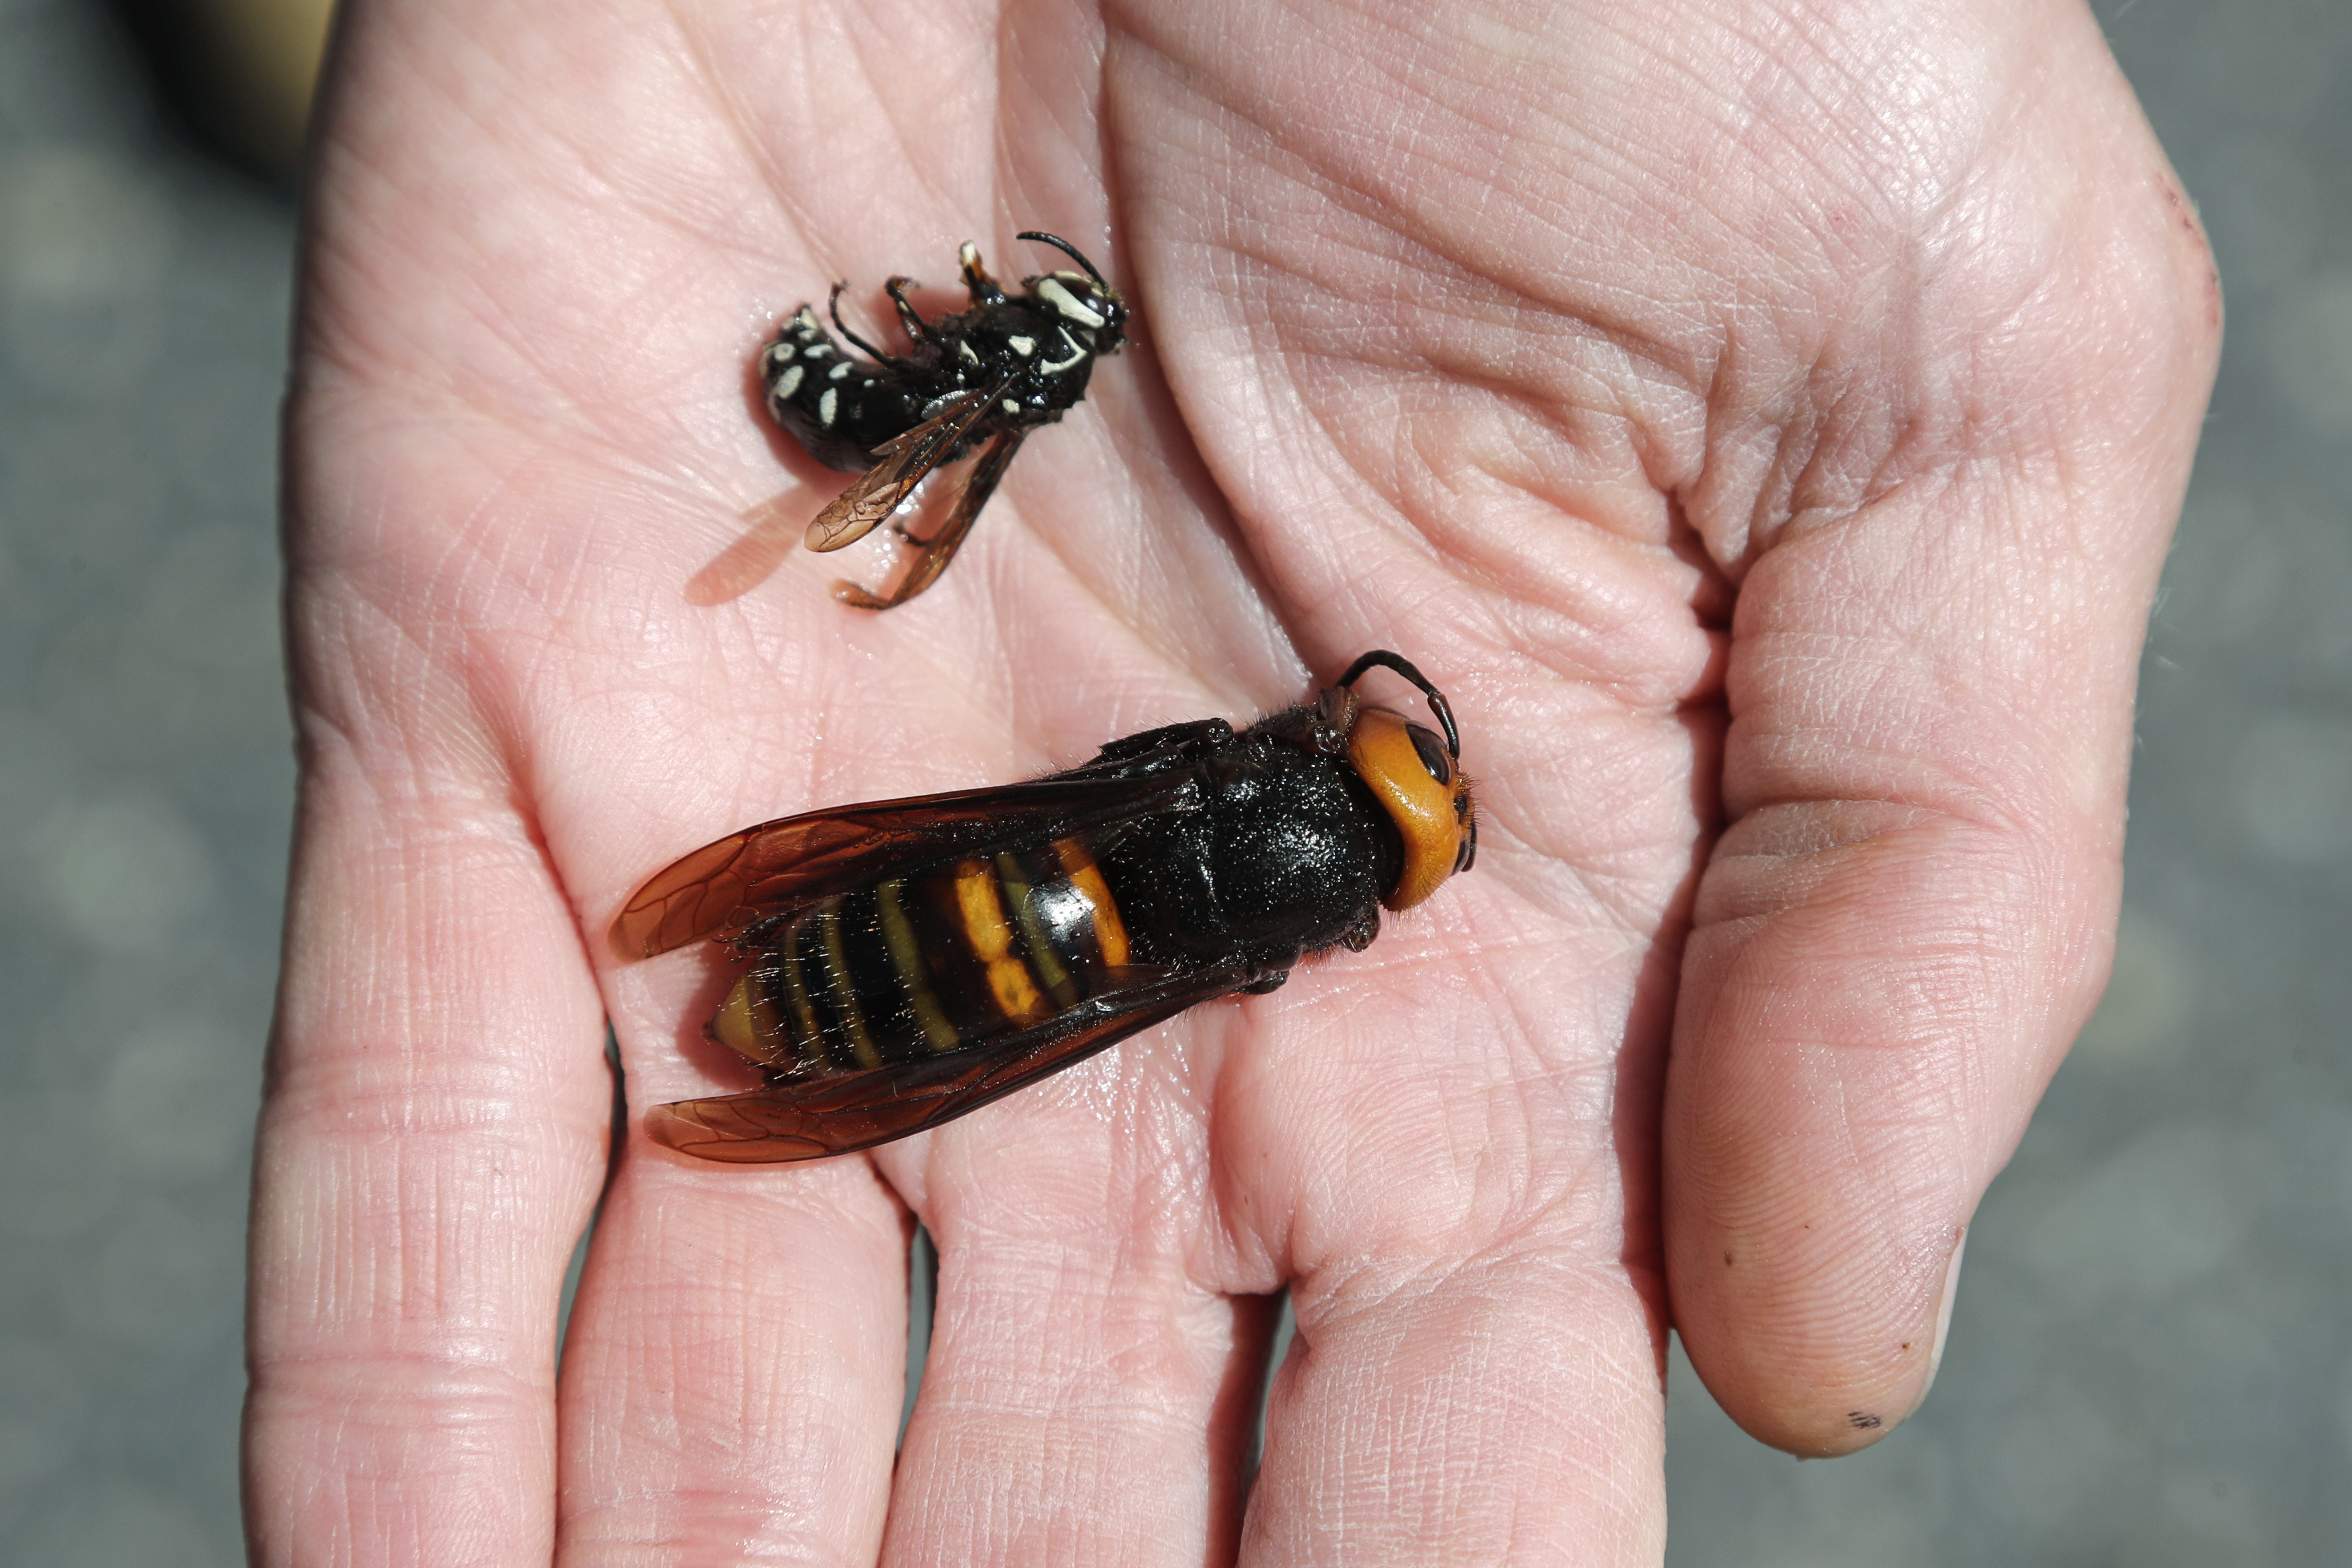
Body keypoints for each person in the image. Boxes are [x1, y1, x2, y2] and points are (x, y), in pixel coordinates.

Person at [244, 0, 2219, 1559]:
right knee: (1023, 982)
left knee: (1002, 892)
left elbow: (1097, 795)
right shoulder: (1279, 931)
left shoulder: (1223, 780)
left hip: (968, 880)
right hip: (1013, 965)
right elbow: (1179, 916)